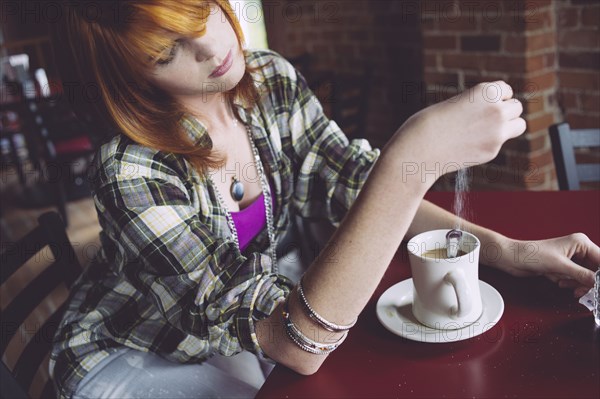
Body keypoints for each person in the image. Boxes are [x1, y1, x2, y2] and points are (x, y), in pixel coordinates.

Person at [49, 1, 599, 398]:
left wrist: (509, 252)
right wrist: (413, 157)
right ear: (124, 78)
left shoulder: (269, 81)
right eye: (169, 50)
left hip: (237, 328)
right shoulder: (130, 171)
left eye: (204, 13)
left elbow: (355, 183)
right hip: (140, 351)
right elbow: (296, 345)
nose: (212, 47)